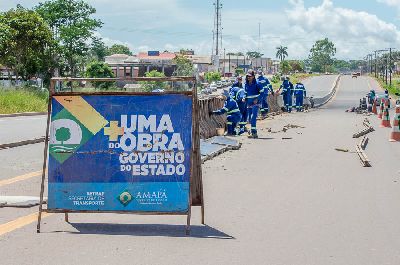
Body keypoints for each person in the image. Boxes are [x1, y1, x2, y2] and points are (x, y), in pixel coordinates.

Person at [245, 69, 263, 138]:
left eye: (250, 76)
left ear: (253, 76)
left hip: (256, 103)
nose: (248, 77)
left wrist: (257, 99)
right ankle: (252, 131)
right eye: (247, 76)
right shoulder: (246, 84)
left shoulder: (258, 83)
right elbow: (245, 93)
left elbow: (262, 93)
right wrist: (244, 97)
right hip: (249, 103)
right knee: (250, 119)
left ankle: (254, 132)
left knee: (253, 116)